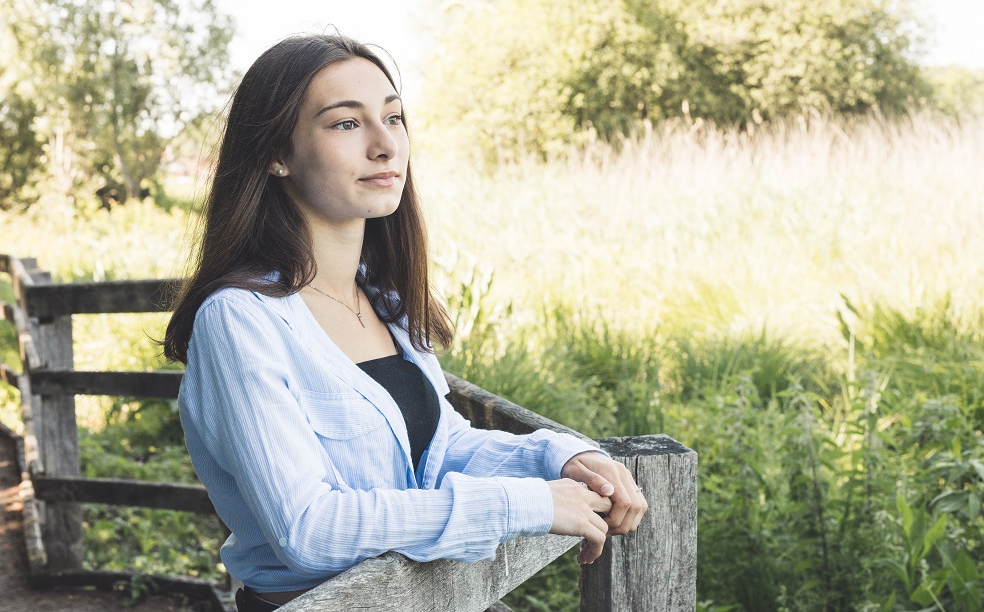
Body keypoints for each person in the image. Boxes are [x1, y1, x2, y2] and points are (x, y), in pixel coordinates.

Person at [163, 33, 647, 612]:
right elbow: (310, 530)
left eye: (394, 118)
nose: (385, 144)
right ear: (277, 154)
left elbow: (440, 450)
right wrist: (528, 503)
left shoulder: (383, 297)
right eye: (346, 124)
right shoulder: (239, 320)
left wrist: (558, 458)